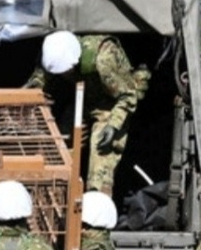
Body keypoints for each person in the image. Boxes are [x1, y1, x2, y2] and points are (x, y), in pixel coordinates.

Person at [32, 30, 150, 193]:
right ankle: (57, 196)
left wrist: (113, 125)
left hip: (111, 105)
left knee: (100, 163)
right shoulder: (53, 53)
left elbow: (128, 95)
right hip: (82, 100)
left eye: (66, 72)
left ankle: (96, 201)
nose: (64, 76)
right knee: (58, 149)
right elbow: (38, 81)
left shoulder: (103, 59)